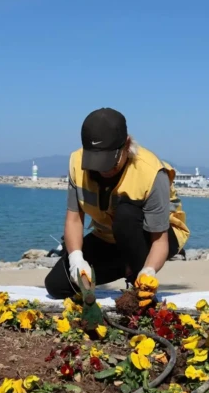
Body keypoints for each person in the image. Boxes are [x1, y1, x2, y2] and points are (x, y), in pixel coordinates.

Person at [44, 108, 190, 299]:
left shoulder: (151, 172)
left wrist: (148, 272)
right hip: (109, 236)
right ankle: (126, 266)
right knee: (57, 286)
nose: (104, 171)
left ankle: (136, 278)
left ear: (127, 144)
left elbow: (159, 240)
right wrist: (76, 260)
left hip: (156, 236)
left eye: (110, 163)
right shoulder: (76, 163)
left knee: (125, 215)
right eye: (97, 163)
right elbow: (74, 220)